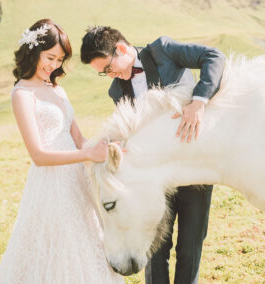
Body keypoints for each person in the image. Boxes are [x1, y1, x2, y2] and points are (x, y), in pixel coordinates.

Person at [0, 19, 124, 284]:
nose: (55, 65)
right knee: (57, 243)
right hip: (49, 183)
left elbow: (79, 139)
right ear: (34, 51)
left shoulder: (59, 91)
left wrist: (106, 148)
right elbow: (38, 155)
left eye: (60, 59)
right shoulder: (22, 94)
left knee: (85, 239)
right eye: (50, 57)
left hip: (76, 181)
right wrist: (87, 155)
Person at [80, 26, 225, 284]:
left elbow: (213, 57)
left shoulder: (163, 50)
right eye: (104, 73)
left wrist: (199, 101)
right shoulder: (116, 90)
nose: (110, 75)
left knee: (190, 247)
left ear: (122, 49)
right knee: (155, 246)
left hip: (191, 166)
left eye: (108, 68)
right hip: (152, 178)